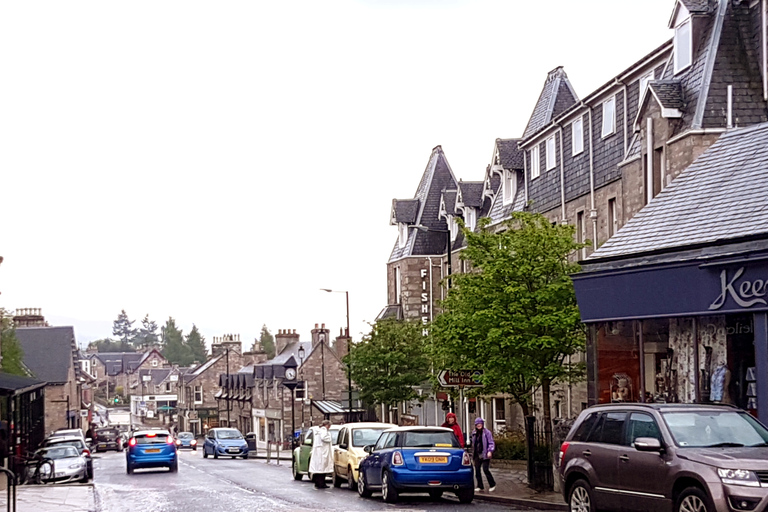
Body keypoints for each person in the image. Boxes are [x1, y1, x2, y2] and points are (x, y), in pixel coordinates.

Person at [470, 417, 496, 492]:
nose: (478, 425)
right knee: (477, 470)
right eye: (477, 424)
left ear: (482, 424)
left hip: (485, 454)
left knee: (485, 469)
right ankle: (480, 486)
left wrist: (490, 451)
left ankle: (492, 484)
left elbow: (491, 442)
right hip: (476, 454)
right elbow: (473, 443)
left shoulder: (487, 432)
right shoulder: (474, 433)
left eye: (480, 423)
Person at [309, 419, 334, 489]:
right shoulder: (323, 430)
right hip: (323, 452)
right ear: (327, 425)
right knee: (323, 469)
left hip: (318, 452)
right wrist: (330, 438)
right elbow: (324, 438)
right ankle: (322, 483)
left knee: (318, 469)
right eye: (329, 426)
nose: (329, 427)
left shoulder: (318, 430)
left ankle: (317, 483)